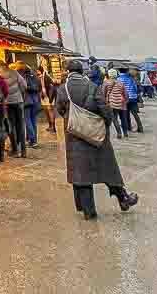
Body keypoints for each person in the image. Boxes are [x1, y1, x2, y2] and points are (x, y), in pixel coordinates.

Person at [56, 60, 138, 220]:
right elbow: (105, 110)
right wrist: (103, 127)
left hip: (74, 136)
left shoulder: (62, 89)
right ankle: (123, 199)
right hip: (95, 136)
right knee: (108, 168)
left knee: (81, 173)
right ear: (81, 72)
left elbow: (60, 110)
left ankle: (89, 211)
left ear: (68, 72)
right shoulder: (92, 86)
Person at [0, 60, 27, 158]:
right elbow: (24, 85)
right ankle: (23, 151)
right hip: (18, 101)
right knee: (21, 125)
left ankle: (15, 150)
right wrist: (20, 94)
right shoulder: (14, 72)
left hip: (7, 103)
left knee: (11, 126)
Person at [16, 62, 41, 148]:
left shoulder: (22, 76)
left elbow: (23, 88)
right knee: (33, 120)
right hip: (35, 101)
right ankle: (34, 140)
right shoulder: (34, 75)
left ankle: (33, 140)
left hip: (26, 101)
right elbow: (39, 87)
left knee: (28, 121)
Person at [101, 69, 129, 139]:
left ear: (109, 75)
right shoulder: (120, 83)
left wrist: (105, 102)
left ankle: (119, 133)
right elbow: (125, 94)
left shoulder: (106, 83)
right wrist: (125, 101)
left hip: (112, 103)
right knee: (123, 118)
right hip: (121, 102)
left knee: (114, 118)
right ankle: (125, 133)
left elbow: (103, 93)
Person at [119, 68, 144, 133]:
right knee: (135, 113)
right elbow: (135, 88)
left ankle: (128, 127)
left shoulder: (118, 79)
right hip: (133, 98)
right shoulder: (131, 78)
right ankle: (140, 127)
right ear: (126, 71)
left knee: (126, 114)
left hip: (124, 99)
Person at [38, 65, 57, 133]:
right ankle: (50, 126)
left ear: (40, 71)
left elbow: (51, 87)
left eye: (38, 72)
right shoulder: (41, 77)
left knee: (50, 111)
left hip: (49, 97)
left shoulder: (46, 77)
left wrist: (51, 99)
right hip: (44, 97)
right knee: (47, 112)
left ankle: (53, 127)